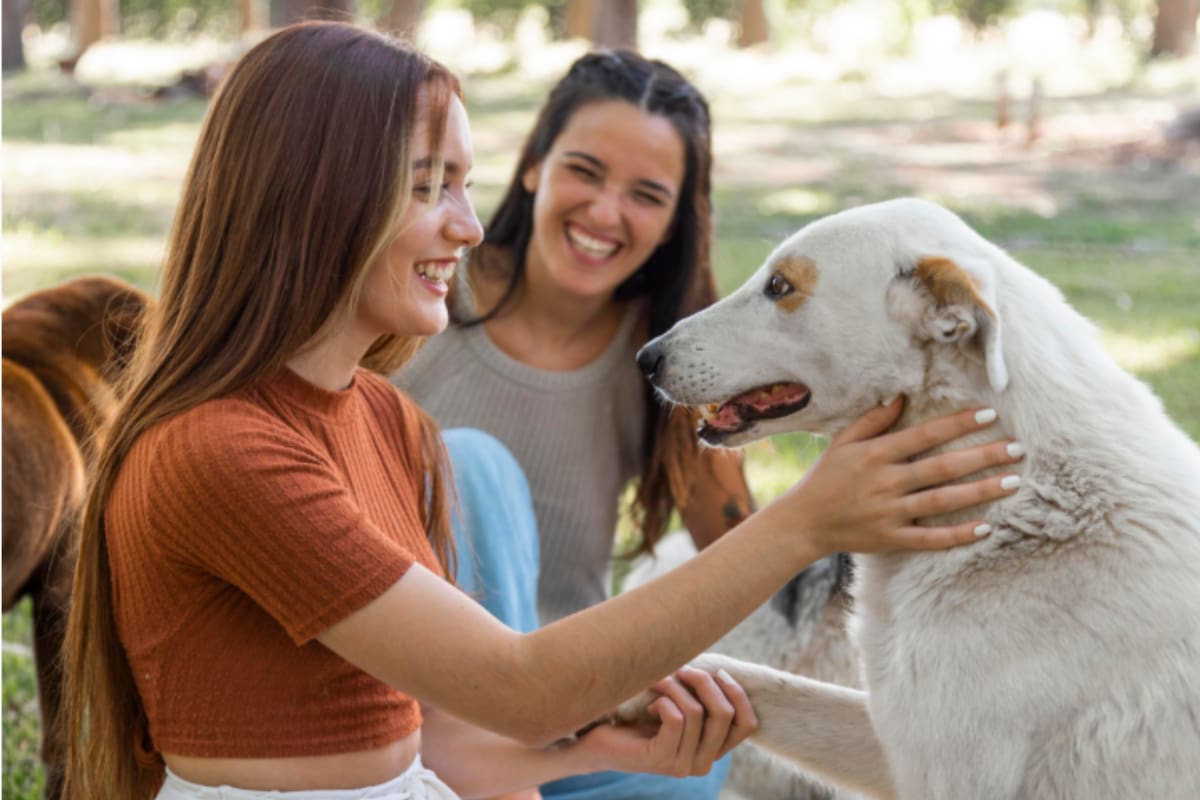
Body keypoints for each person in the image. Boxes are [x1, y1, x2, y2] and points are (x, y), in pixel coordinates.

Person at [59, 21, 1024, 800]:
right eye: (428, 186)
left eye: (464, 185)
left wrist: (605, 745)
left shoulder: (383, 424)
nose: (467, 224)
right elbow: (518, 690)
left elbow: (436, 742)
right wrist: (810, 519)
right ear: (315, 199)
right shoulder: (221, 454)